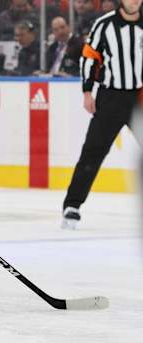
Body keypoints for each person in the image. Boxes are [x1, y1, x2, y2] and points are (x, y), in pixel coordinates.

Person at [62, 0, 143, 229]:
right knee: (93, 152)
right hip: (111, 98)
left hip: (140, 98)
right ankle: (72, 205)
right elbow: (89, 57)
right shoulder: (104, 25)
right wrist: (87, 91)